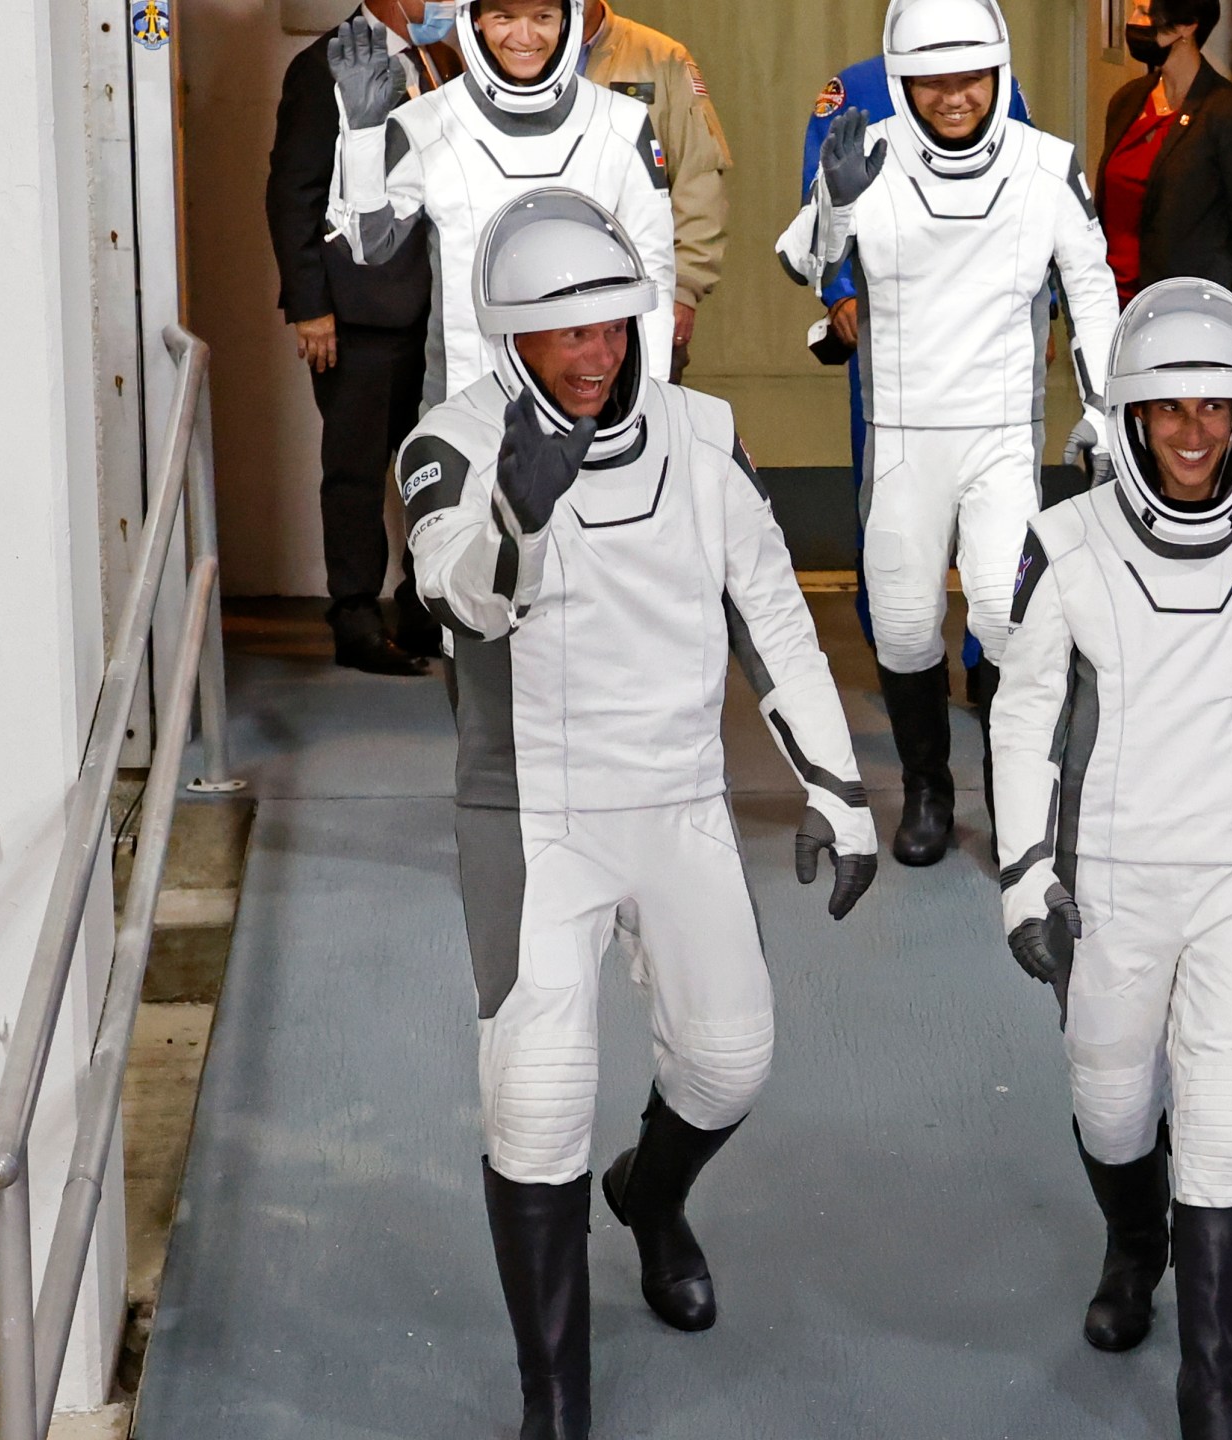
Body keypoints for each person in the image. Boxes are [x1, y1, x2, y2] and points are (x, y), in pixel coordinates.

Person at [396, 190, 878, 1440]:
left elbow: (769, 611)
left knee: (729, 1062)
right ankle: (554, 1398)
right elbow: (461, 600)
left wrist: (835, 784)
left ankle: (650, 1199)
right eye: (569, 336)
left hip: (677, 795)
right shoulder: (447, 443)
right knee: (536, 1099)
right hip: (532, 814)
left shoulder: (704, 433)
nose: (599, 354)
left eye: (613, 325)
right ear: (511, 338)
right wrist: (520, 511)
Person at [989, 278, 1232, 1440]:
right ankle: (1131, 1244)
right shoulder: (1063, 544)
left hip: (1230, 880)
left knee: (1227, 1127)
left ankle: (1212, 1390)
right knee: (1113, 1107)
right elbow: (1022, 726)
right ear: (1127, 417)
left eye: (1217, 411)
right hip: (1107, 880)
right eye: (1170, 411)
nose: (1194, 435)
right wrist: (1027, 876)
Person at [776, 0, 1120, 868]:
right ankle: (929, 787)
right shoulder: (871, 160)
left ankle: (1015, 794)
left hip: (1001, 436)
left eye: (970, 76)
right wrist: (837, 205)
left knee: (1009, 622)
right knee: (899, 624)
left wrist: (1106, 406)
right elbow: (805, 262)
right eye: (934, 79)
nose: (955, 96)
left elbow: (1091, 285)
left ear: (999, 71)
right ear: (903, 79)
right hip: (902, 437)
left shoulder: (1046, 167)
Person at [323, 0, 674, 414]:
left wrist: (650, 408)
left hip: (594, 407)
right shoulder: (426, 123)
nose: (525, 37)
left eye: (542, 17)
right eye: (504, 17)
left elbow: (653, 280)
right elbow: (367, 246)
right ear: (475, 20)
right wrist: (361, 134)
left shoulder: (621, 124)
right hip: (462, 403)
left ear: (568, 19)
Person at [798, 50, 1028, 663]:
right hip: (894, 341)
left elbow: (1031, 199)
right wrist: (841, 293)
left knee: (998, 521)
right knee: (890, 510)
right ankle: (893, 648)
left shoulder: (996, 80)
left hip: (985, 343)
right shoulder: (852, 89)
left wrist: (1044, 305)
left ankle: (990, 661)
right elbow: (822, 203)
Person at [266, 1, 464, 674]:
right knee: (356, 472)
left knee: (433, 465)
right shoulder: (324, 66)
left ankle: (420, 608)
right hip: (356, 314)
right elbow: (294, 192)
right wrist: (309, 306)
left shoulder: (441, 60)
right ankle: (354, 618)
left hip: (437, 312)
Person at [1099, 0, 1232, 328]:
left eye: (1143, 11)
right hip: (1114, 307)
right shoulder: (1126, 101)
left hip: (1189, 316)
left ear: (1185, 26)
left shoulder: (1230, 114)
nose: (1133, 22)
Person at [579, 0, 731, 381]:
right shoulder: (515, 56)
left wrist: (685, 288)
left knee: (646, 429)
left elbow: (699, 176)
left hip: (639, 302)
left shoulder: (661, 57)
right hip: (542, 300)